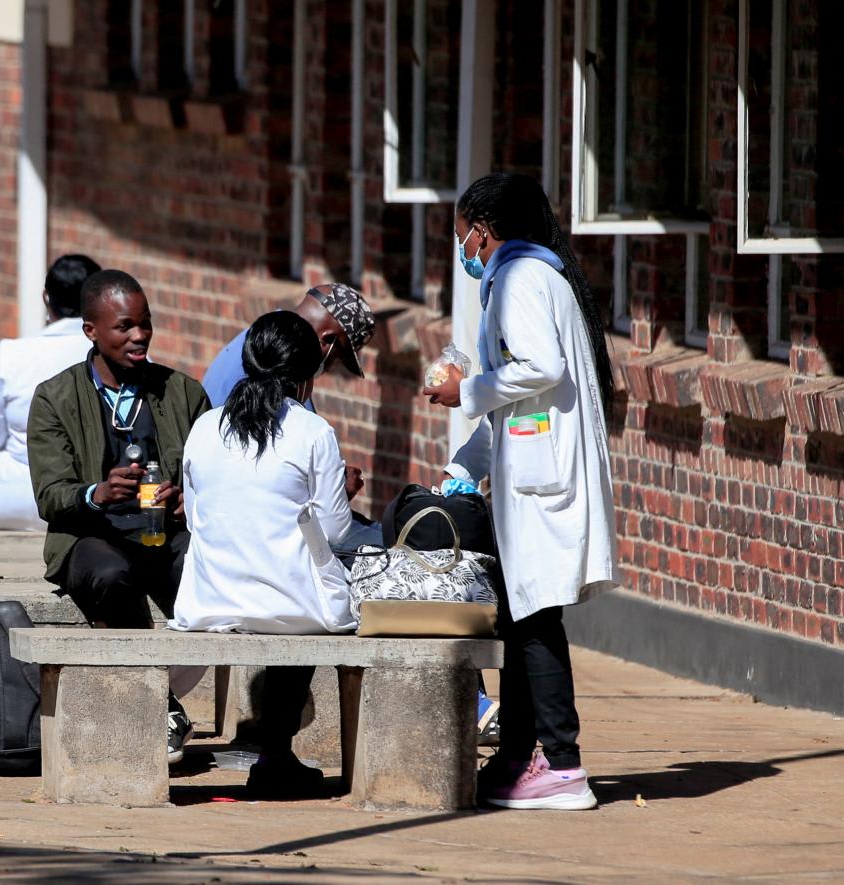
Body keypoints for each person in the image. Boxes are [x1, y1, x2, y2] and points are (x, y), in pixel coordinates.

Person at [422, 172, 618, 811]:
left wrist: (465, 391)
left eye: (462, 237)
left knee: (534, 620)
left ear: (483, 227)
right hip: (532, 470)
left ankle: (562, 763)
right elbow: (523, 398)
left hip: (542, 481)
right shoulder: (535, 276)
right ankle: (523, 755)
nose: (464, 251)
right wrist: (465, 464)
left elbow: (539, 369)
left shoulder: (520, 278)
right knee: (524, 615)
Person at [27, 269, 211, 763]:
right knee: (112, 575)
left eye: (145, 324)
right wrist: (98, 492)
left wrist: (187, 500)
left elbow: (214, 476)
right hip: (91, 537)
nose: (139, 336)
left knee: (209, 577)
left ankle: (255, 726)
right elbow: (50, 495)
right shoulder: (55, 398)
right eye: (124, 327)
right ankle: (156, 705)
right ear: (91, 330)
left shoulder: (183, 393)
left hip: (165, 531)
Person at [170, 311, 354, 797]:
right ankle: (275, 752)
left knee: (287, 593)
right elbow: (336, 530)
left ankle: (276, 753)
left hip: (209, 598)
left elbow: (194, 519)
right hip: (289, 604)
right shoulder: (313, 432)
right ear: (307, 376)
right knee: (308, 603)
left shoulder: (205, 427)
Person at [202, 283, 378, 551]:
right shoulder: (289, 386)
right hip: (265, 537)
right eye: (336, 358)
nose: (328, 369)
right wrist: (337, 488)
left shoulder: (257, 342)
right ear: (326, 341)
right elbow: (331, 527)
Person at [0, 254, 102, 530]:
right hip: (91, 502)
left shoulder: (9, 355)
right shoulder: (126, 357)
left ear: (46, 298)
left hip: (9, 501)